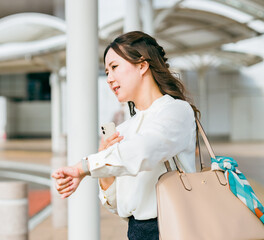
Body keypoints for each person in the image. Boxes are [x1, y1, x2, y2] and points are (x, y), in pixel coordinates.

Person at [52, 31, 200, 240]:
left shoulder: (176, 111)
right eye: (106, 71)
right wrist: (104, 167)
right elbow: (116, 204)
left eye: (114, 67)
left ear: (142, 65)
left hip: (172, 227)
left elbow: (144, 150)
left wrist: (84, 167)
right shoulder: (124, 130)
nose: (109, 78)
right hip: (136, 231)